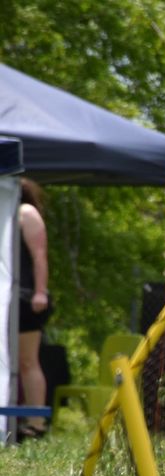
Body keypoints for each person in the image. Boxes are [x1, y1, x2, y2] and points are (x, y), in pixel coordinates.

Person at [17, 178, 52, 440]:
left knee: (28, 360)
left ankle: (36, 423)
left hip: (25, 298)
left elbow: (40, 255)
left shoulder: (26, 213)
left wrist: (40, 292)